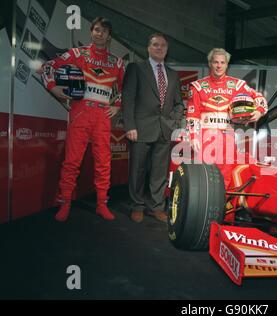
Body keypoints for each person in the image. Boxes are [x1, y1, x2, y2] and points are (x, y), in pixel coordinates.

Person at [41, 17, 124, 222]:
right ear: (91, 32)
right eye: (96, 30)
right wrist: (53, 87)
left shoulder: (117, 62)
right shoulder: (78, 53)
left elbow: (127, 89)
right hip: (80, 112)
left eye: (104, 31)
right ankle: (64, 204)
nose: (100, 34)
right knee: (72, 161)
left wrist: (117, 105)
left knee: (104, 162)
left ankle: (101, 204)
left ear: (109, 36)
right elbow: (48, 66)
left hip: (103, 117)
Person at [122, 33, 184, 223]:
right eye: (155, 45)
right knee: (137, 170)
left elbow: (179, 104)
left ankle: (156, 207)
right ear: (148, 48)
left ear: (167, 50)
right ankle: (137, 206)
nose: (159, 48)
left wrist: (174, 121)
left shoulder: (173, 74)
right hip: (140, 129)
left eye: (163, 46)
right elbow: (128, 99)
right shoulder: (136, 68)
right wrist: (130, 125)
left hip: (164, 130)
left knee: (159, 172)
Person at [186, 48, 268, 187]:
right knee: (205, 173)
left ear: (227, 65)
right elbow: (192, 114)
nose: (219, 65)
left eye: (222, 62)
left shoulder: (237, 85)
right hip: (205, 136)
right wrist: (193, 137)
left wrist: (259, 110)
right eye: (216, 62)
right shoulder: (198, 86)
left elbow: (259, 96)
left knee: (226, 173)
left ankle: (222, 206)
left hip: (227, 135)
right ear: (210, 64)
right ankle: (204, 205)